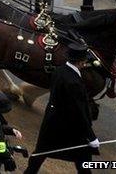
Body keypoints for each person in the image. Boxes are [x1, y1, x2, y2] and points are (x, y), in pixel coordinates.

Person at [25, 43, 99, 174]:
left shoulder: (59, 70)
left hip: (51, 121)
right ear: (81, 62)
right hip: (68, 127)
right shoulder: (74, 82)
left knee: (41, 153)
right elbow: (79, 111)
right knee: (83, 158)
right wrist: (91, 136)